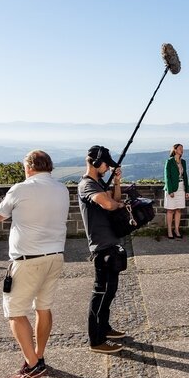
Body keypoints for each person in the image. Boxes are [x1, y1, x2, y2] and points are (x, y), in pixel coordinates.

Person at [0, 150, 70, 378]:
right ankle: (38, 355)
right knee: (43, 308)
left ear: (28, 167)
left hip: (28, 259)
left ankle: (33, 363)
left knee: (15, 312)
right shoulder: (62, 189)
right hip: (55, 255)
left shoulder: (21, 189)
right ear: (49, 167)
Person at [78, 145, 129, 354]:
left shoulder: (98, 182)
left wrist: (117, 182)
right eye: (106, 164)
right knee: (100, 292)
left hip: (111, 244)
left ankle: (105, 328)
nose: (108, 167)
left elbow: (114, 199)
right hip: (101, 248)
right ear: (96, 163)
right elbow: (109, 205)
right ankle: (96, 340)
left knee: (110, 291)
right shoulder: (87, 185)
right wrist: (118, 205)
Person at [163, 143, 189, 239]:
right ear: (175, 150)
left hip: (181, 187)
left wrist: (187, 190)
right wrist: (170, 190)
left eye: (183, 148)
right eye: (180, 148)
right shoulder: (169, 161)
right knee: (170, 210)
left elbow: (185, 176)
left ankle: (176, 230)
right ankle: (169, 230)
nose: (182, 150)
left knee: (178, 209)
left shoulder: (183, 162)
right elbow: (167, 177)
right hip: (172, 188)